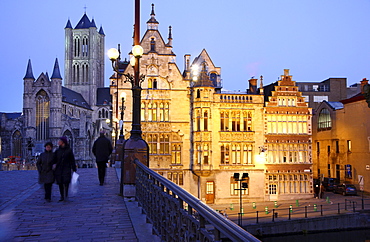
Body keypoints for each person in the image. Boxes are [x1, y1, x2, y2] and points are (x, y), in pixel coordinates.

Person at [53, 137, 76, 201]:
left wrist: (73, 168)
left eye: (59, 141)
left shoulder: (69, 150)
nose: (58, 142)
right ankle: (62, 196)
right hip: (59, 169)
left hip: (66, 168)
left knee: (66, 182)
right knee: (60, 182)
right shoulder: (57, 150)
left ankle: (66, 194)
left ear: (63, 142)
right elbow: (54, 159)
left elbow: (72, 160)